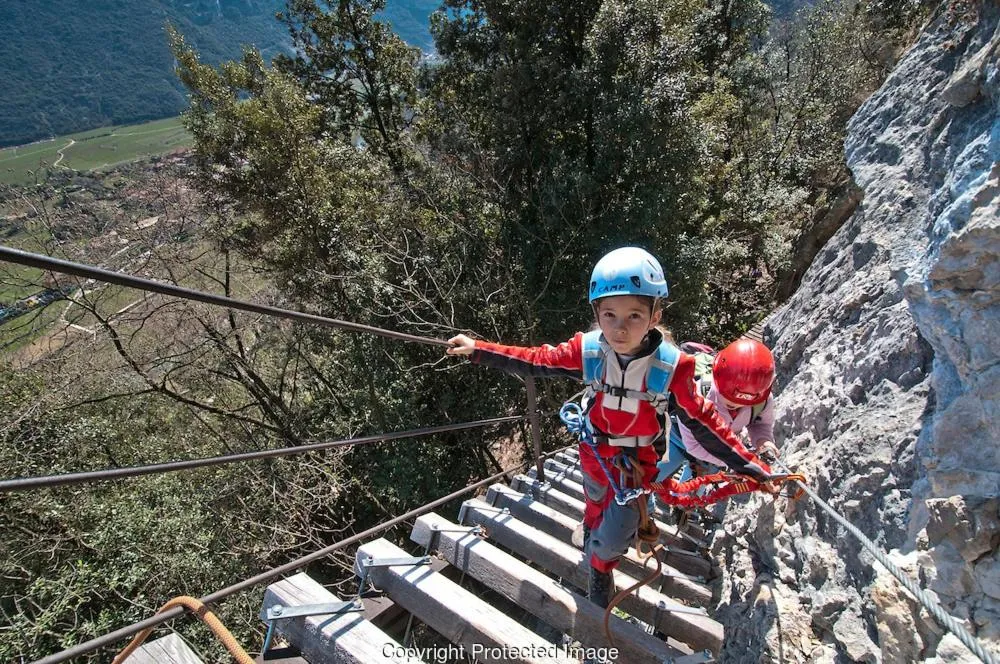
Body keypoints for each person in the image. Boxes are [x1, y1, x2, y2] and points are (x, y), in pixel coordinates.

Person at [446, 247, 774, 607]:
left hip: (637, 463)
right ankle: (591, 532)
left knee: (616, 535)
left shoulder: (670, 368)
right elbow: (535, 361)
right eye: (609, 314)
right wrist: (478, 349)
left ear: (654, 315)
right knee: (595, 501)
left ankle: (600, 568)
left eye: (634, 315)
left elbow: (705, 423)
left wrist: (751, 467)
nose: (620, 328)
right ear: (597, 314)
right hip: (594, 450)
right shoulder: (587, 352)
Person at [673, 338, 780, 469]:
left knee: (698, 483)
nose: (736, 405)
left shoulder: (762, 401)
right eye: (729, 398)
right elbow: (694, 446)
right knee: (657, 479)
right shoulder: (695, 394)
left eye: (744, 403)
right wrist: (740, 461)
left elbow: (761, 424)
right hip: (679, 440)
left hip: (722, 450)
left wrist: (764, 442)